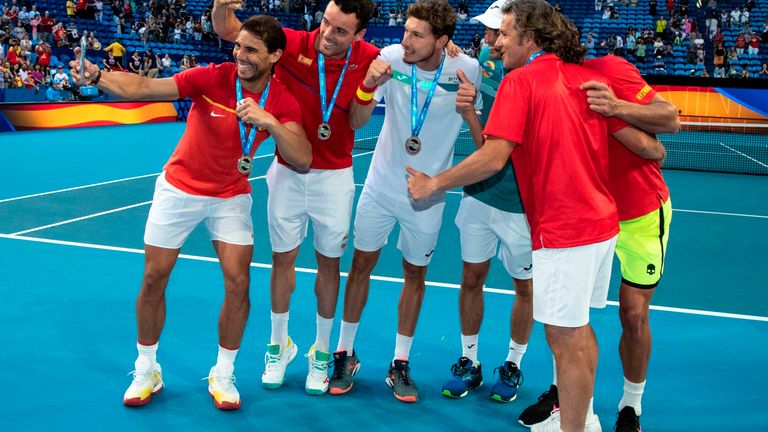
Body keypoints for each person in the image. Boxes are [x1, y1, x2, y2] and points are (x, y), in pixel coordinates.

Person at [405, 1, 665, 430]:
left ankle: (575, 426)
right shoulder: (587, 79)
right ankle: (585, 420)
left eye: (505, 33)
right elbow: (653, 148)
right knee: (576, 333)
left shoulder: (520, 82)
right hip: (601, 226)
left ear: (530, 39)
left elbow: (493, 156)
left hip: (567, 230)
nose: (498, 42)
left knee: (565, 339)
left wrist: (433, 184)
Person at [70, 14, 311, 410]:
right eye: (239, 46)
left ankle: (224, 372)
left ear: (275, 55)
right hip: (179, 188)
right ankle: (147, 367)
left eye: (251, 49)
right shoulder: (212, 77)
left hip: (231, 195)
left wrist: (269, 120)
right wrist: (98, 78)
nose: (241, 55)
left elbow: (301, 156)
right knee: (153, 278)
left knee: (238, 284)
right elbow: (146, 87)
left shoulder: (282, 99)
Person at [212, 0, 380, 395]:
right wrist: (220, 6)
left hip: (335, 179)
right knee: (282, 261)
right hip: (287, 172)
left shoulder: (370, 58)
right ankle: (279, 345)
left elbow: (364, 111)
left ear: (360, 35)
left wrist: (449, 50)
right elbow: (228, 29)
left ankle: (321, 352)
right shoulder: (291, 43)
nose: (327, 34)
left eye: (340, 31)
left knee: (328, 264)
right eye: (326, 23)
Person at [517, 54, 680, 431]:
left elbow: (669, 120)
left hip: (639, 212)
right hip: (587, 214)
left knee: (633, 314)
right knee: (568, 316)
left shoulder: (608, 69)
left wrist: (615, 107)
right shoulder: (535, 81)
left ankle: (630, 406)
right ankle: (564, 397)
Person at [330, 0, 481, 403]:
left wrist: (470, 110)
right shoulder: (391, 58)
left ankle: (399, 362)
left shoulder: (466, 69)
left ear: (442, 40)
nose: (405, 40)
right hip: (380, 186)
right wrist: (367, 85)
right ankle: (344, 352)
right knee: (360, 265)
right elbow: (357, 119)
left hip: (429, 195)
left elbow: (479, 130)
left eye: (417, 34)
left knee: (415, 275)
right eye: (405, 31)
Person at [438, 0, 531, 404]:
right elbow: (484, 144)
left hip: (521, 206)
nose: (490, 40)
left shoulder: (536, 81)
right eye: (489, 32)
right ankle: (470, 361)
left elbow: (501, 152)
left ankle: (513, 363)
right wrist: (470, 113)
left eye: (498, 33)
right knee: (471, 279)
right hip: (479, 195)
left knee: (524, 288)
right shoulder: (488, 62)